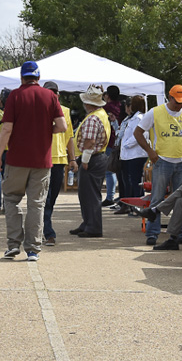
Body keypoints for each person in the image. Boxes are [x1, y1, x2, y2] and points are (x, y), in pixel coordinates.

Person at [0, 61, 67, 261]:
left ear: (21, 77)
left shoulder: (15, 96)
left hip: (17, 159)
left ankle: (13, 244)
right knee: (36, 204)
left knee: (11, 199)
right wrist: (45, 130)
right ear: (38, 77)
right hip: (42, 160)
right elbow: (62, 126)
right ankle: (33, 249)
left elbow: (6, 129)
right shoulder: (50, 96)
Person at [133, 84, 182, 246]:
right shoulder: (155, 112)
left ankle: (181, 234)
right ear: (169, 98)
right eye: (177, 101)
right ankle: (152, 234)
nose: (180, 105)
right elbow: (138, 132)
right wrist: (150, 151)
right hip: (162, 161)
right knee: (157, 198)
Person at [70, 85, 110, 238]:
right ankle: (87, 223)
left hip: (92, 158)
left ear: (88, 103)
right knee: (88, 193)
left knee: (90, 194)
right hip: (98, 157)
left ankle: (92, 226)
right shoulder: (101, 114)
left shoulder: (93, 118)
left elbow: (89, 142)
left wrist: (85, 160)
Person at [42, 81, 77, 245]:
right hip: (41, 159)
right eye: (49, 91)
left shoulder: (65, 111)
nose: (52, 94)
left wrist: (72, 159)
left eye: (54, 92)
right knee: (45, 198)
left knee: (52, 198)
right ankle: (48, 232)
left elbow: (69, 136)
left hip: (59, 159)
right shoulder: (38, 109)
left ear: (58, 94)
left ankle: (43, 226)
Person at [115, 94, 148, 214]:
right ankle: (130, 205)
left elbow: (139, 135)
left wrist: (126, 145)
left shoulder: (139, 118)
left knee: (135, 181)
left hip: (135, 154)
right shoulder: (131, 118)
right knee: (128, 181)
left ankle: (137, 206)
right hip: (128, 155)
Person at [101, 85, 124, 208]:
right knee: (119, 170)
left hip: (110, 141)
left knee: (109, 171)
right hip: (120, 141)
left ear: (107, 96)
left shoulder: (106, 107)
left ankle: (110, 196)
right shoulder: (121, 106)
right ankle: (119, 195)